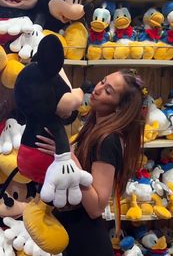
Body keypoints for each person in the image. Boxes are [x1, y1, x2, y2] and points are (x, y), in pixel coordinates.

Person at [36, 68, 146, 256]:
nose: (98, 89)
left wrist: (65, 155)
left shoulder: (108, 139)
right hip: (74, 231)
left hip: (87, 240)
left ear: (119, 107)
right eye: (102, 81)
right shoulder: (93, 127)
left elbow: (96, 207)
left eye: (108, 91)